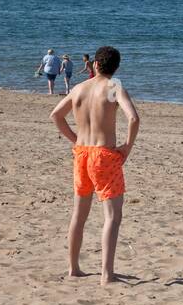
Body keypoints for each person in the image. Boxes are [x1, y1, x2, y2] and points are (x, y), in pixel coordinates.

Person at [51, 46, 140, 285]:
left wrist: (75, 139)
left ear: (96, 65)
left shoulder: (80, 88)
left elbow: (56, 116)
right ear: (116, 68)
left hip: (82, 154)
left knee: (79, 215)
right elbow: (133, 118)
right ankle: (106, 274)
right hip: (104, 155)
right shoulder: (113, 87)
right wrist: (127, 147)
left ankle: (74, 268)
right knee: (112, 216)